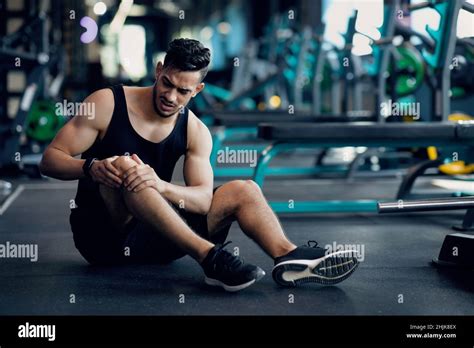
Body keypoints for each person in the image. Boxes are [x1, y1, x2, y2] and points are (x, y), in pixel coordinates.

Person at [40, 38, 359, 292]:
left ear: (198, 90)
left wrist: (161, 184)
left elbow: (204, 199)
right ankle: (211, 258)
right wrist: (90, 167)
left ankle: (289, 258)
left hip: (160, 239)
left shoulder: (195, 130)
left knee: (243, 189)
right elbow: (49, 159)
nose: (171, 96)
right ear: (158, 70)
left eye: (183, 91)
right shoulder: (107, 103)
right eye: (167, 83)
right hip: (103, 240)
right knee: (128, 168)